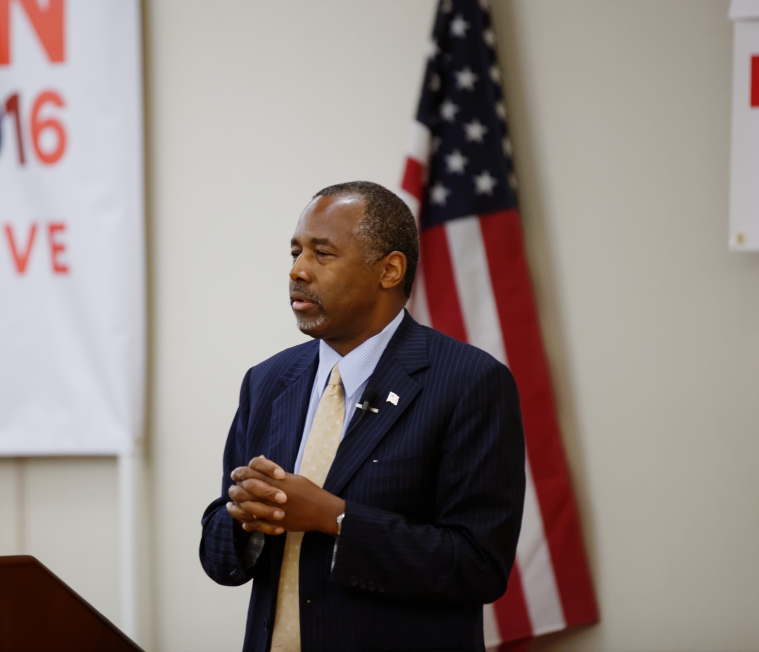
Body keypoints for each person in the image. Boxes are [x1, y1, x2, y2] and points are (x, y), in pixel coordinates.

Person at [200, 181, 525, 652]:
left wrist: (335, 518)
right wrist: (245, 518)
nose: (297, 271)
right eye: (295, 252)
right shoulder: (267, 382)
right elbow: (218, 553)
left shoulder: (468, 382)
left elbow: (477, 565)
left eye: (322, 254)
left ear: (389, 270)